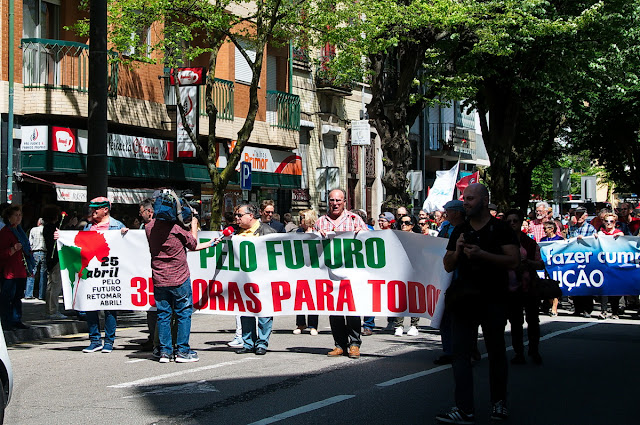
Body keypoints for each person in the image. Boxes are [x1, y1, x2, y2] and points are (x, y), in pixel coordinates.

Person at [436, 184, 519, 424]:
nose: (466, 203)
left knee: (495, 351)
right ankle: (464, 409)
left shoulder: (501, 229)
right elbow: (447, 265)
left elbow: (513, 261)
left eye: (471, 198)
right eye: (464, 199)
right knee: (460, 353)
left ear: (484, 200)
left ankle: (499, 403)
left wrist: (483, 255)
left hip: (493, 298)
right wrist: (458, 250)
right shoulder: (460, 230)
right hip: (464, 299)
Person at [145, 197, 211, 363]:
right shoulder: (176, 229)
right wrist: (194, 224)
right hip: (179, 278)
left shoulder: (149, 227)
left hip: (159, 278)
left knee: (163, 314)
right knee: (183, 313)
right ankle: (182, 351)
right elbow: (193, 244)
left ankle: (164, 352)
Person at [315, 189, 367, 359]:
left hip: (351, 274)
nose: (335, 203)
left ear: (345, 202)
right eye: (332, 200)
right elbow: (311, 247)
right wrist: (317, 236)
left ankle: (354, 344)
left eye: (338, 200)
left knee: (352, 310)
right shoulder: (320, 222)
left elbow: (369, 242)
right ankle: (339, 345)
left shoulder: (355, 220)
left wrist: (362, 233)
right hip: (330, 275)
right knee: (334, 311)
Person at [81, 197, 128, 353]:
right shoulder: (88, 227)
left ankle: (109, 341)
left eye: (96, 208)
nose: (93, 211)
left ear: (105, 210)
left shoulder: (117, 226)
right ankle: (95, 340)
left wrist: (125, 236)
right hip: (92, 273)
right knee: (90, 306)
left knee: (110, 307)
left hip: (109, 273)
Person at [234, 203, 277, 355]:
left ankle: (262, 343)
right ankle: (248, 343)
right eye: (236, 215)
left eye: (240, 215)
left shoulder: (268, 232)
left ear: (250, 216)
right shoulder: (234, 232)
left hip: (263, 280)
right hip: (243, 280)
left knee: (264, 312)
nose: (236, 218)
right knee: (245, 311)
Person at [504, 209, 544, 365]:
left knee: (533, 320)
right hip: (511, 288)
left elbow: (540, 264)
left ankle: (534, 350)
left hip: (530, 287)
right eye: (509, 221)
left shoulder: (530, 243)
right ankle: (518, 352)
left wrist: (528, 263)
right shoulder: (502, 243)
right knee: (515, 322)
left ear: (521, 223)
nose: (512, 224)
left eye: (515, 221)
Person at [433, 200, 466, 365]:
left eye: (448, 212)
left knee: (462, 318)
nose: (446, 215)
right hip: (445, 277)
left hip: (462, 278)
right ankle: (448, 350)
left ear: (457, 213)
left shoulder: (467, 228)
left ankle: (466, 349)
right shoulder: (445, 228)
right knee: (444, 315)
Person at [0, 205, 35, 330]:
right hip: (9, 271)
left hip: (21, 270)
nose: (19, 217)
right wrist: (13, 249)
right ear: (9, 217)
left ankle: (16, 320)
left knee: (17, 297)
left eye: (20, 215)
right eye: (16, 215)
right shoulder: (5, 232)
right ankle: (7, 322)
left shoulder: (20, 231)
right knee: (7, 298)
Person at [392, 214, 421, 337]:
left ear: (412, 225)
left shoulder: (419, 238)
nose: (403, 225)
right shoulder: (396, 237)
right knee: (399, 298)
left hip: (415, 271)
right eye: (401, 223)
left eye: (407, 223)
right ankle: (398, 325)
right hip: (400, 270)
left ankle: (414, 325)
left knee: (414, 298)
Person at [293, 209, 320, 336]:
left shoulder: (317, 233)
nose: (300, 221)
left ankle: (313, 325)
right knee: (299, 297)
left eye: (302, 218)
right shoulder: (297, 233)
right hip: (300, 269)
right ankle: (300, 323)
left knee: (313, 297)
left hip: (314, 269)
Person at [567, 207, 597, 318]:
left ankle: (587, 309)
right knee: (576, 283)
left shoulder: (590, 228)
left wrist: (584, 239)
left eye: (581, 214)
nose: (579, 217)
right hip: (575, 259)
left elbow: (594, 242)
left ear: (586, 216)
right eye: (577, 214)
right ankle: (577, 308)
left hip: (587, 259)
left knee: (586, 284)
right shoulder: (572, 228)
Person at [596, 212, 624, 320]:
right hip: (604, 265)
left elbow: (624, 242)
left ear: (615, 223)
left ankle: (615, 312)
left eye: (611, 221)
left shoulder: (618, 233)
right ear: (603, 222)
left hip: (615, 264)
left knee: (615, 289)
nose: (609, 223)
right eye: (606, 221)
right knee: (604, 289)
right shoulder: (600, 233)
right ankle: (603, 311)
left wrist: (620, 237)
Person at [138, 198, 156, 352]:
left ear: (149, 211)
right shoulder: (141, 227)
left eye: (141, 211)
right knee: (150, 309)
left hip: (159, 273)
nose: (140, 214)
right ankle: (153, 337)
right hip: (144, 272)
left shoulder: (159, 226)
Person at [42, 205, 67, 320]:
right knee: (55, 285)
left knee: (51, 284)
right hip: (56, 258)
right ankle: (53, 310)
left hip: (50, 258)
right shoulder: (53, 228)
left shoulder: (46, 228)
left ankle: (49, 309)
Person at [540, 221, 564, 317]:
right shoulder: (543, 240)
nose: (544, 231)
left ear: (551, 229)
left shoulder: (560, 240)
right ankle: (551, 305)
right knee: (547, 287)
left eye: (545, 228)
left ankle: (554, 308)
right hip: (546, 266)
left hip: (557, 267)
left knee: (554, 287)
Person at [25, 218, 48, 300]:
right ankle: (41, 295)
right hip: (44, 252)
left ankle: (28, 294)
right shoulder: (46, 230)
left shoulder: (33, 230)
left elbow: (30, 242)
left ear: (38, 223)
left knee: (32, 272)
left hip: (35, 252)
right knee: (43, 274)